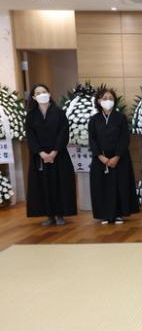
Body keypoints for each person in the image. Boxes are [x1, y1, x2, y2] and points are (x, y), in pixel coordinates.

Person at [25, 84, 76, 225]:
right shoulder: (31, 116)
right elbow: (30, 137)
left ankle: (60, 214)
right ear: (34, 97)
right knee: (43, 185)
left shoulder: (59, 112)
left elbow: (63, 133)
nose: (42, 94)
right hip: (40, 156)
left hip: (58, 154)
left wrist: (54, 152)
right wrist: (41, 153)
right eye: (38, 93)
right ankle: (49, 215)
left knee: (60, 184)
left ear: (49, 93)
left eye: (44, 91)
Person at [88, 87, 139, 224]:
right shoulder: (94, 119)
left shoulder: (120, 118)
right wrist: (100, 156)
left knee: (119, 186)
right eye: (104, 98)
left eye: (110, 98)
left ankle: (118, 213)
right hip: (100, 160)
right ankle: (104, 214)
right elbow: (92, 140)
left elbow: (124, 138)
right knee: (101, 187)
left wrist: (116, 156)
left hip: (119, 159)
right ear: (98, 101)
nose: (108, 101)